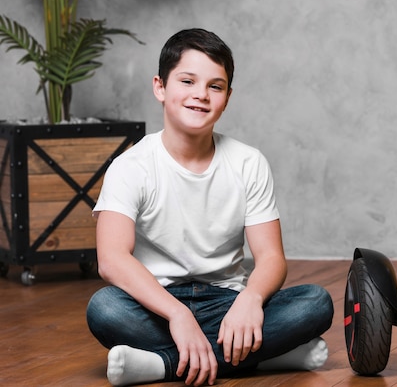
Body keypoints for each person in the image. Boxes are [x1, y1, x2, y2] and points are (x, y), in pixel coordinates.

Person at [86, 28, 334, 386]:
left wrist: (250, 300)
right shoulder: (131, 166)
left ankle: (161, 365)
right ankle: (263, 358)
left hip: (226, 303)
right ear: (160, 87)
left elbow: (271, 258)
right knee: (104, 308)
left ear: (227, 97)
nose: (200, 95)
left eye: (215, 86)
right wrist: (176, 315)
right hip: (155, 303)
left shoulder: (248, 162)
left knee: (315, 302)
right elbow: (111, 260)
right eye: (187, 81)